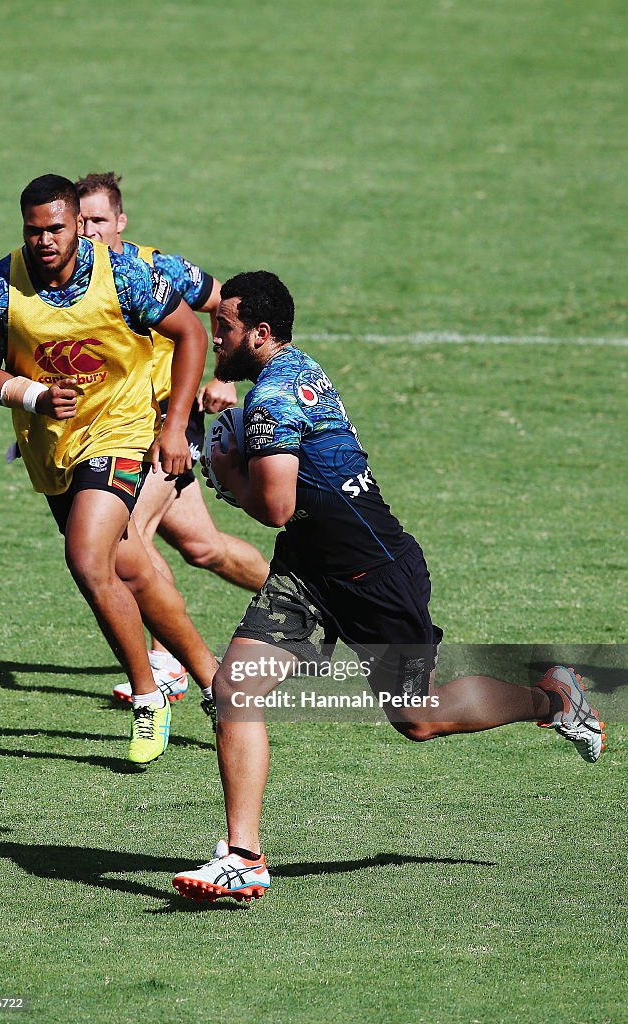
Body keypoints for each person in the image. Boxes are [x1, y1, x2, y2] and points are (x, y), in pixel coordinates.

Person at [172, 271, 606, 903]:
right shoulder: (289, 370)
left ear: (260, 333)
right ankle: (244, 857)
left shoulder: (275, 402)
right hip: (309, 573)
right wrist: (228, 398)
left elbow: (273, 506)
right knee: (235, 686)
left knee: (419, 718)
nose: (216, 339)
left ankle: (554, 699)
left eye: (225, 329)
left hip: (373, 578)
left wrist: (226, 469)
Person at [0, 174, 219, 765]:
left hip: (122, 429)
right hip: (53, 444)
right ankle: (213, 681)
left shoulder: (123, 273)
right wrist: (30, 395)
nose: (44, 240)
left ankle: (148, 698)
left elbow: (189, 334)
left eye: (55, 228)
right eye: (34, 230)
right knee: (129, 564)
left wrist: (176, 424)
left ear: (79, 223)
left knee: (86, 556)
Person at [75, 173, 269, 703]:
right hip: (111, 430)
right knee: (203, 548)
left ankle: (166, 663)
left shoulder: (157, 271)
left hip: (166, 428)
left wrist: (225, 376)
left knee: (125, 540)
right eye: (81, 221)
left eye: (98, 220)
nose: (88, 231)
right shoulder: (73, 283)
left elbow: (232, 306)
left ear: (120, 221)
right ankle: (312, 598)